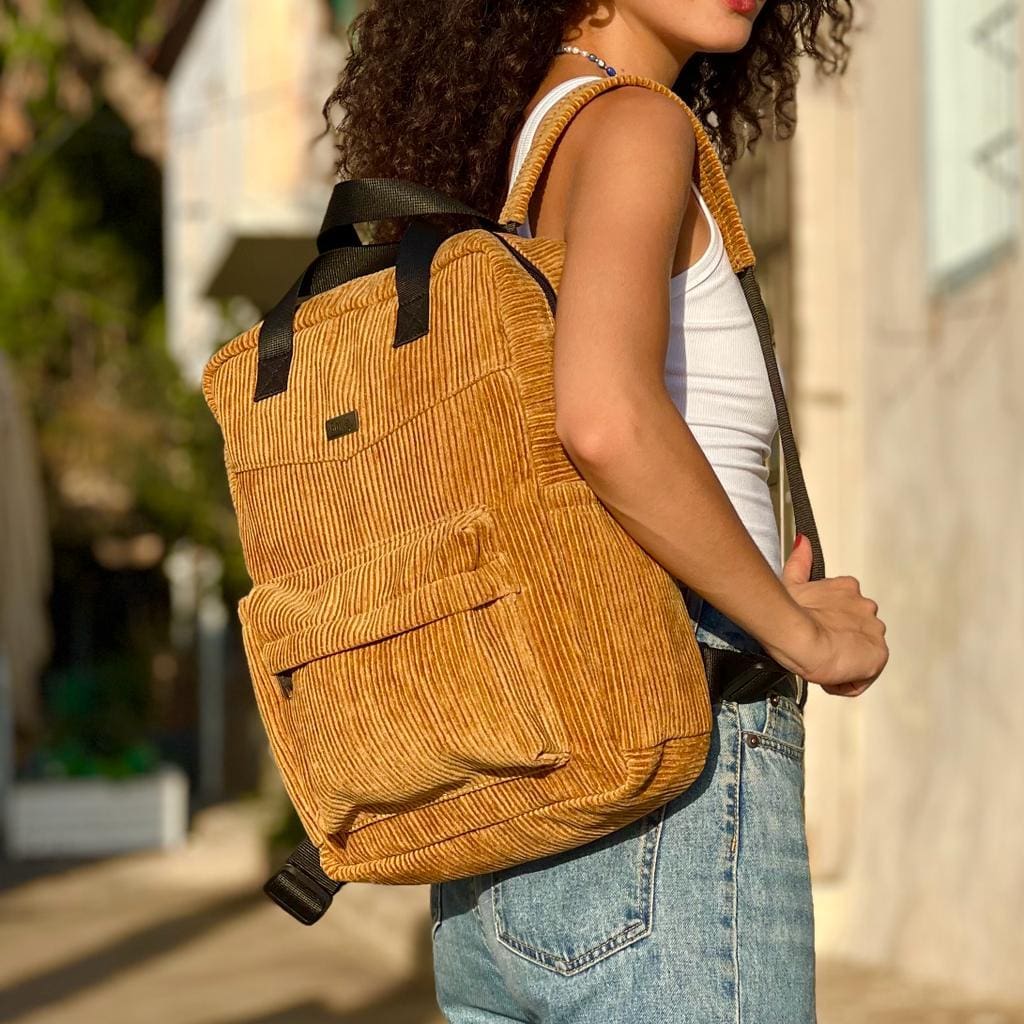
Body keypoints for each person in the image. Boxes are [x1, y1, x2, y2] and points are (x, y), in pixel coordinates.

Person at [324, 1, 888, 1019]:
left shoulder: (508, 162)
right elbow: (604, 420)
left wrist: (745, 574)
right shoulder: (636, 127)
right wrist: (794, 629)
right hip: (666, 787)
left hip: (508, 826)